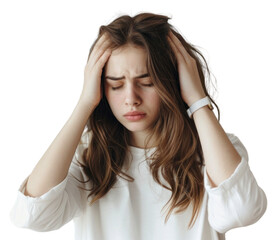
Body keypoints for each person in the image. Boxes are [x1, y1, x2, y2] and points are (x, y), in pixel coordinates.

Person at [10, 12, 267, 240]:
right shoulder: (88, 155)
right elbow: (32, 215)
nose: (131, 98)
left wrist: (197, 101)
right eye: (116, 84)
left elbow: (242, 211)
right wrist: (84, 105)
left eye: (147, 81)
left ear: (173, 81)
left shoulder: (212, 150)